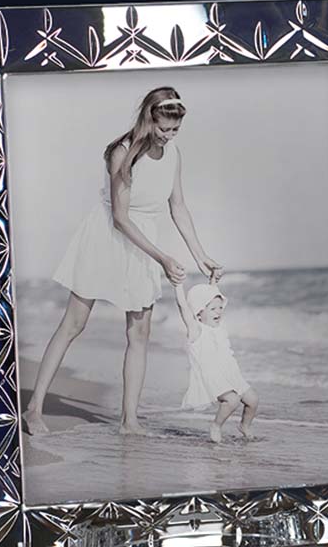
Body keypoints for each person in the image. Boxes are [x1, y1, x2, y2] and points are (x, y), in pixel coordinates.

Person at [22, 87, 223, 436]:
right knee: (74, 323)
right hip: (108, 235)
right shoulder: (122, 152)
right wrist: (162, 257)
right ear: (149, 118)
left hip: (143, 241)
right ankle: (34, 408)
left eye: (175, 130)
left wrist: (200, 254)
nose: (168, 136)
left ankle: (130, 421)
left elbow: (178, 206)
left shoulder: (173, 153)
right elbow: (120, 217)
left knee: (140, 331)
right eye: (163, 128)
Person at [172, 277, 259, 443]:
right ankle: (216, 425)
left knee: (253, 400)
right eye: (213, 309)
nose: (218, 312)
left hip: (231, 373)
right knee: (232, 400)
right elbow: (183, 306)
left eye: (220, 308)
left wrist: (213, 279)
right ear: (199, 312)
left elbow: (213, 293)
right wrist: (177, 285)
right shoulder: (196, 330)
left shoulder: (219, 326)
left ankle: (245, 425)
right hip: (212, 375)